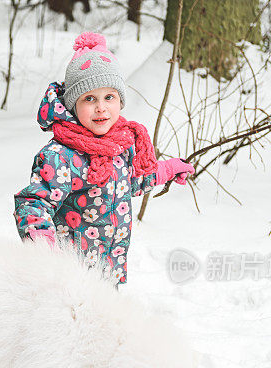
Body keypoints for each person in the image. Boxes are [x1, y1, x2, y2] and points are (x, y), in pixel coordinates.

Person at [13, 32, 194, 285]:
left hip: (108, 271)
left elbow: (130, 181)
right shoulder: (61, 156)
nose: (101, 107)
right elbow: (33, 202)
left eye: (109, 97)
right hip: (67, 278)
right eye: (89, 99)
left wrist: (167, 170)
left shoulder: (120, 144)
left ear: (120, 101)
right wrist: (45, 250)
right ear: (73, 105)